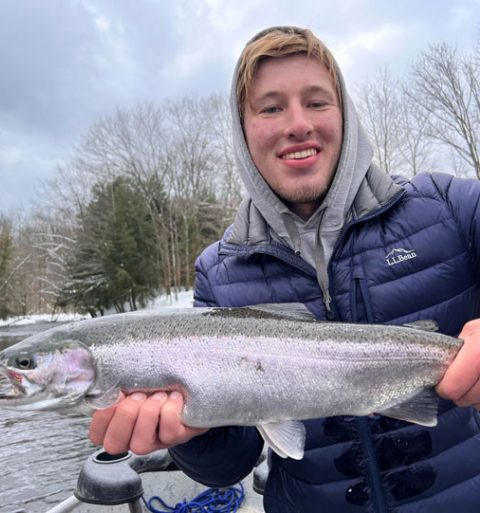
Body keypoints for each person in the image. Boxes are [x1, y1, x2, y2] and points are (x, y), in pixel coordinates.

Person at [88, 26, 480, 512]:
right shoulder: (219, 274)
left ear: (346, 115)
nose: (298, 124)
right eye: (271, 107)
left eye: (316, 101)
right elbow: (230, 465)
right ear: (242, 130)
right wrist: (187, 435)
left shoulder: (448, 207)